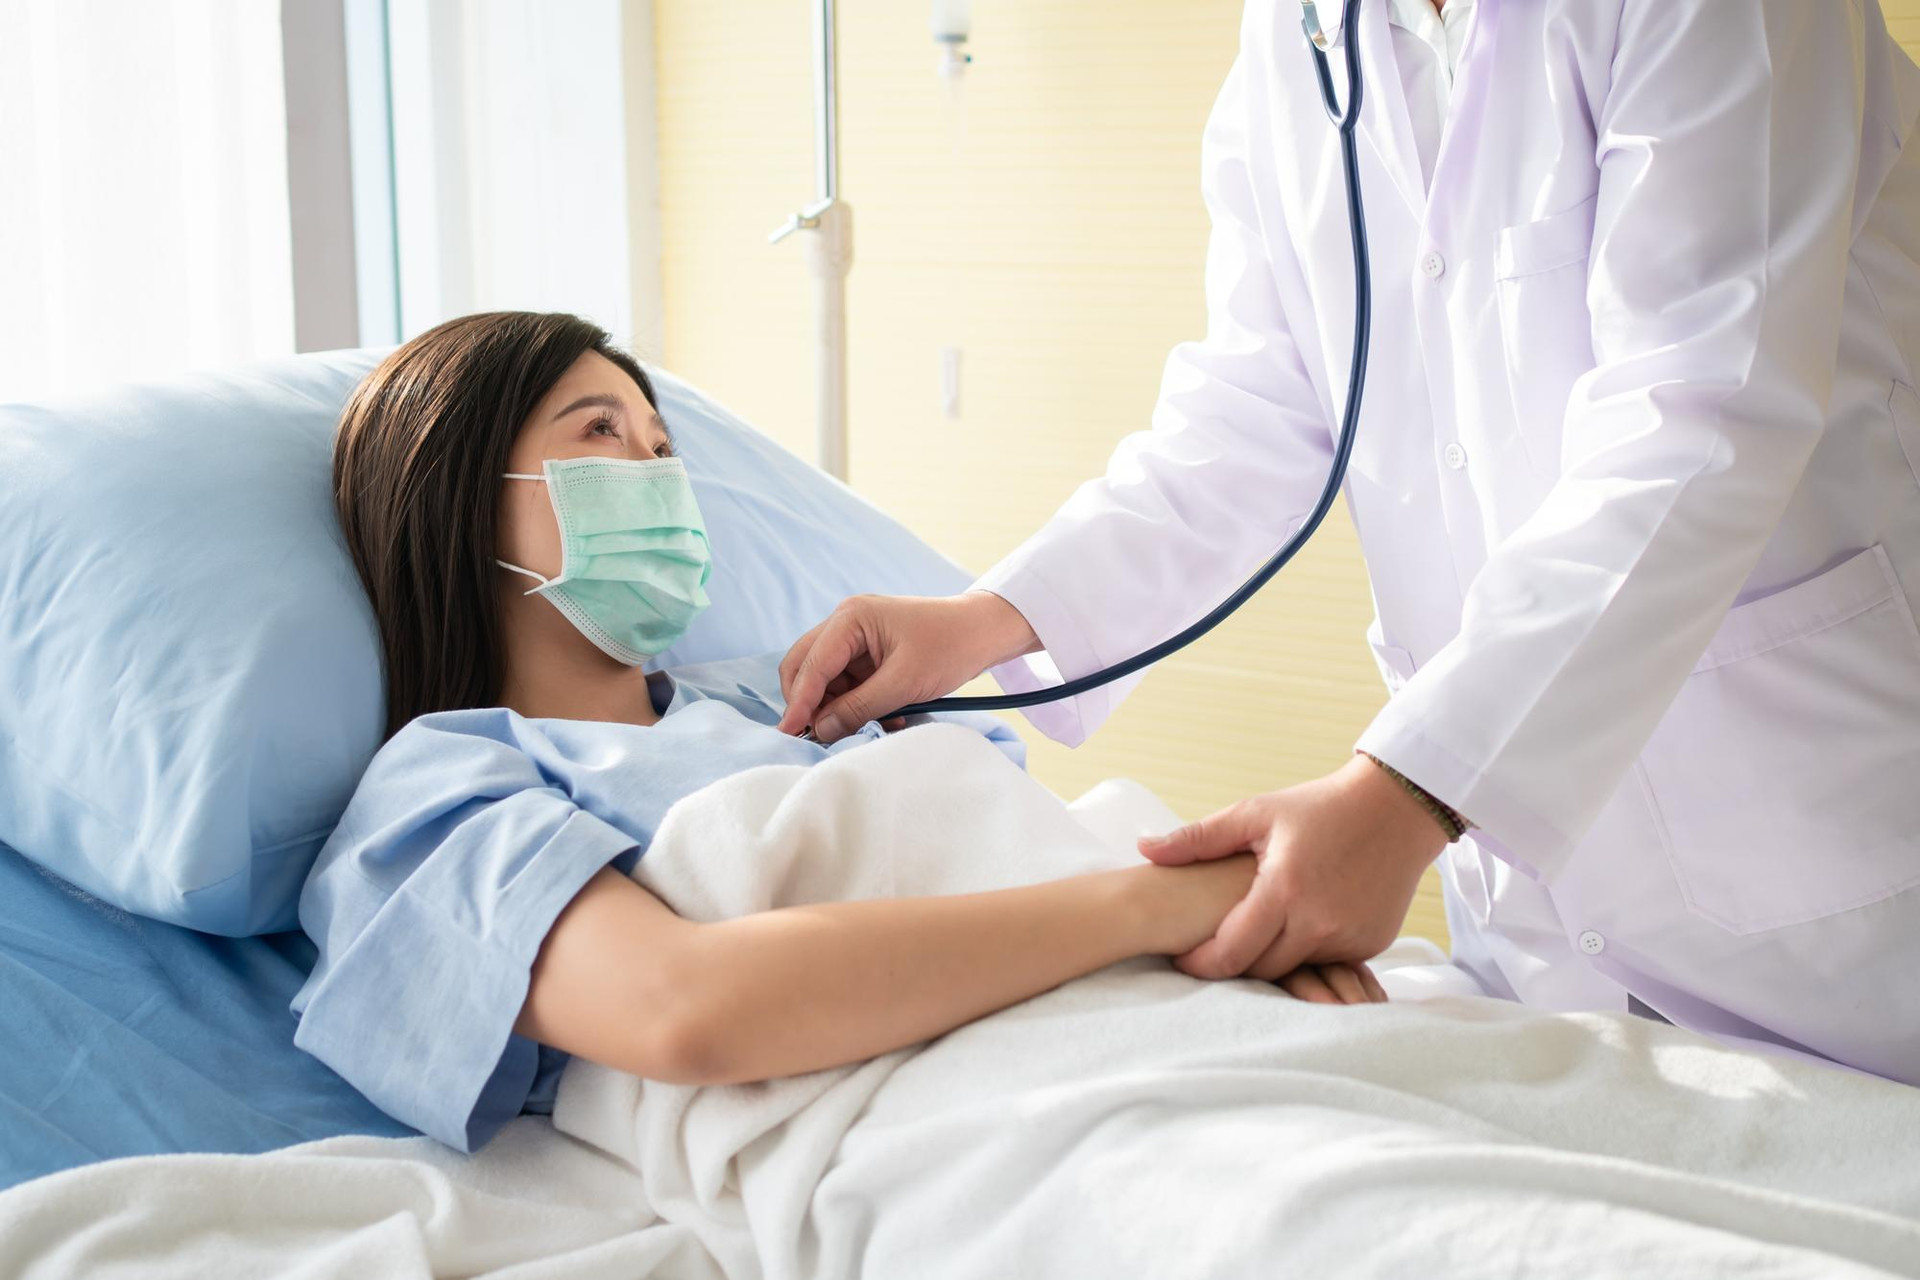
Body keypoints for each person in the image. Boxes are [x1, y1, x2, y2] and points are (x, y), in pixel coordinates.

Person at [778, 0, 1920, 1084]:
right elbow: (1255, 409)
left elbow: (1700, 417)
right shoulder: (1305, 32)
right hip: (1538, 938)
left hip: (1813, 870)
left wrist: (1411, 792)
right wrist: (986, 621)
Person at [292, 310, 1384, 1152]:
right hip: (982, 1109)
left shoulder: (791, 701)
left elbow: (1001, 850)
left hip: (1164, 1019)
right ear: (458, 495)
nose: (660, 474)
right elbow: (685, 1006)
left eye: (663, 445)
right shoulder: (444, 789)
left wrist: (1241, 942)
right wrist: (1174, 904)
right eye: (601, 432)